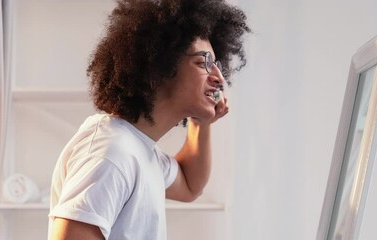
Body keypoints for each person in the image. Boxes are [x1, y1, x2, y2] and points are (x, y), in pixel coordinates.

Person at [48, 0, 250, 239]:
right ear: (160, 66)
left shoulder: (140, 149)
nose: (219, 77)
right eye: (202, 62)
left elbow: (189, 185)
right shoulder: (111, 154)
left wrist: (201, 122)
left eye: (216, 64)